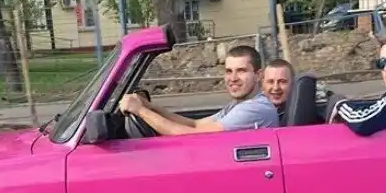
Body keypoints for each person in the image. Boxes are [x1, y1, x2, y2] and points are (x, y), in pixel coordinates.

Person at [118, 45, 279, 135]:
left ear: (258, 75)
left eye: (241, 71)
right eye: (228, 71)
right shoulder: (238, 105)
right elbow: (195, 124)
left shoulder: (255, 108)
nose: (233, 78)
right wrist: (150, 107)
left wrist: (140, 111)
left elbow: (190, 135)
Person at [261, 58, 294, 125]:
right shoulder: (254, 113)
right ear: (263, 84)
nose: (276, 88)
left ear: (293, 83)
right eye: (270, 82)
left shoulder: (301, 114)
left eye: (282, 82)